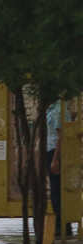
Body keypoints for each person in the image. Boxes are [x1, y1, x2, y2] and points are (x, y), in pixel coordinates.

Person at [46, 101, 72, 236]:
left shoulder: (58, 110)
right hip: (50, 151)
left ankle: (63, 225)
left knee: (58, 191)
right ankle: (60, 224)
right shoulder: (50, 109)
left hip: (55, 152)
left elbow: (61, 136)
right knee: (55, 192)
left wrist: (55, 159)